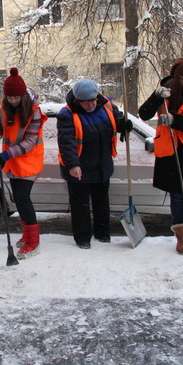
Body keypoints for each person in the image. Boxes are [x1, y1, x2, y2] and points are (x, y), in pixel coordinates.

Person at [138, 57, 183, 255]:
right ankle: (181, 238)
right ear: (176, 77)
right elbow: (144, 114)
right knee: (177, 197)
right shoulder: (165, 94)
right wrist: (156, 96)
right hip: (169, 153)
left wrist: (175, 120)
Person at [57, 79, 132, 249]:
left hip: (102, 164)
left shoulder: (106, 106)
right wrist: (73, 165)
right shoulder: (67, 114)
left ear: (97, 97)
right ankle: (83, 238)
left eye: (92, 100)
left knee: (102, 203)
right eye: (85, 102)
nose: (90, 105)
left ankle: (102, 233)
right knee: (80, 206)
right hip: (79, 166)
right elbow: (66, 142)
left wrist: (124, 124)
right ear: (78, 100)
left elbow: (117, 120)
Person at [0, 68, 48, 259]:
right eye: (10, 97)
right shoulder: (5, 105)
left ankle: (33, 241)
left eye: (16, 97)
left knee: (23, 198)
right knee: (17, 198)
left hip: (28, 161)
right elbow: (3, 130)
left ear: (23, 96)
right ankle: (27, 234)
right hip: (13, 161)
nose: (13, 100)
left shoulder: (34, 111)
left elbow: (30, 141)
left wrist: (5, 155)